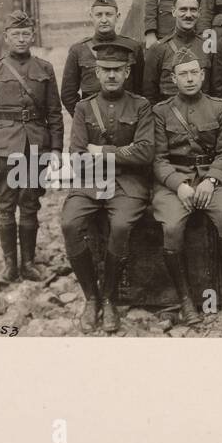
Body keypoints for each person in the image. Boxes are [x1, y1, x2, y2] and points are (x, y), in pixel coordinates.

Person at [59, 40, 154, 333]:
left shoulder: (141, 106)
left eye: (117, 70)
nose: (111, 75)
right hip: (89, 182)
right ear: (96, 73)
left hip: (128, 184)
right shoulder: (83, 108)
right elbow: (76, 156)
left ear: (127, 72)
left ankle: (110, 297)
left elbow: (146, 152)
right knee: (70, 223)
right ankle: (92, 298)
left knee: (122, 225)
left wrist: (101, 152)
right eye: (105, 70)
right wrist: (123, 153)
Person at [0, 10, 64, 283]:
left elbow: (54, 113)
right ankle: (9, 266)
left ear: (33, 36)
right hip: (5, 146)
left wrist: (56, 150)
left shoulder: (45, 68)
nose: (21, 39)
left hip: (35, 144)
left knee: (30, 202)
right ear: (6, 38)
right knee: (5, 203)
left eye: (26, 34)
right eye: (16, 35)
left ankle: (28, 263)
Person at [152, 51, 222, 325]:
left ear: (202, 75)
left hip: (212, 179)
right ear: (173, 79)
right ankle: (185, 298)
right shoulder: (161, 111)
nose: (189, 79)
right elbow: (157, 159)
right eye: (183, 74)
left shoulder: (220, 107)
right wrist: (178, 186)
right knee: (172, 227)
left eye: (194, 73)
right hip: (175, 180)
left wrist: (212, 180)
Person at [60, 0, 143, 115]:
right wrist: (84, 118)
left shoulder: (133, 47)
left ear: (118, 16)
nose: (104, 20)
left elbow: (140, 88)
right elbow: (68, 94)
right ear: (91, 17)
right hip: (93, 118)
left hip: (126, 116)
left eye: (109, 14)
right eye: (99, 15)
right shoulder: (78, 50)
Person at [142, 0, 214, 100]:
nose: (189, 15)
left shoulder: (208, 45)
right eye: (183, 9)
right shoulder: (159, 48)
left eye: (193, 10)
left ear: (199, 13)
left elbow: (213, 90)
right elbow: (149, 94)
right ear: (173, 11)